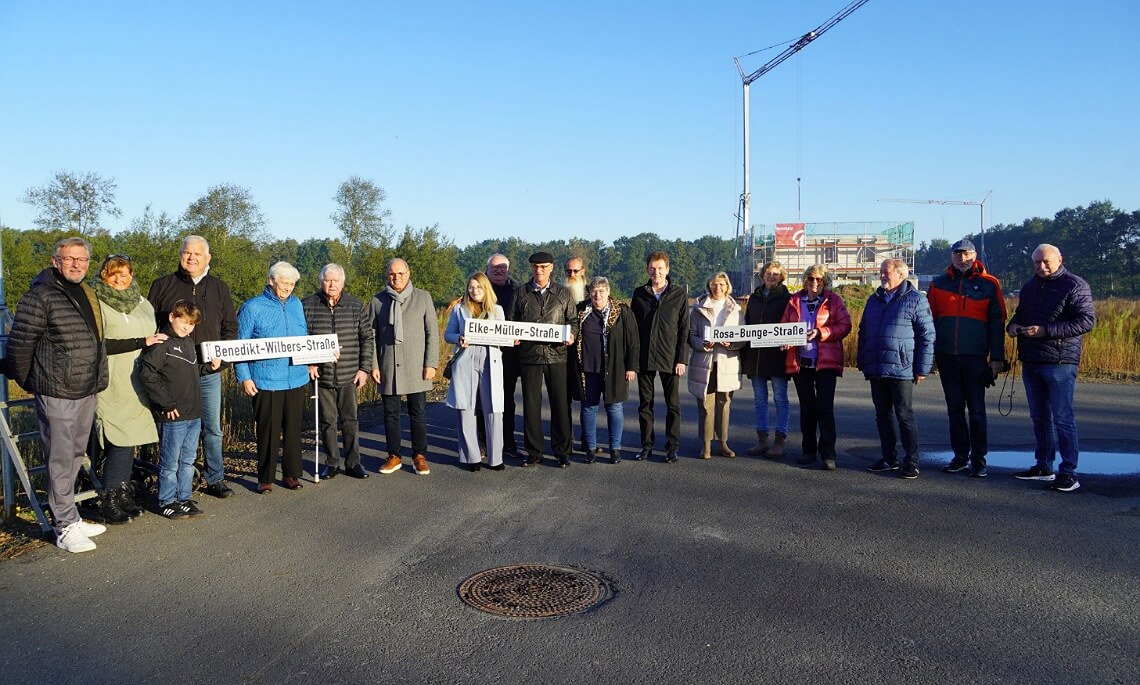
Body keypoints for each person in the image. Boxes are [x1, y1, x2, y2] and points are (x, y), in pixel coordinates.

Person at [7, 237, 109, 552]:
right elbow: (19, 345)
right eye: (70, 259)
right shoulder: (40, 296)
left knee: (76, 455)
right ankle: (63, 527)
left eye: (82, 259)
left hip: (85, 388)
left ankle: (73, 517)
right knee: (60, 459)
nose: (77, 264)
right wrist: (31, 380)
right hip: (58, 390)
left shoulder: (87, 292)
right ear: (55, 261)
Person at [148, 235, 239, 499]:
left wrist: (223, 356)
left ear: (208, 258)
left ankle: (215, 478)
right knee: (171, 428)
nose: (192, 257)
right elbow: (150, 327)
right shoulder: (163, 285)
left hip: (208, 371)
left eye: (197, 254)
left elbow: (230, 328)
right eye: (187, 253)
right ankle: (169, 482)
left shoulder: (219, 288)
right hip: (173, 375)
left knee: (212, 427)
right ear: (180, 255)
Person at [1007, 244, 1096, 493]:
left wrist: (1046, 331)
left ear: (1059, 260)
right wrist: (1013, 327)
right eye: (1037, 262)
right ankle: (1044, 466)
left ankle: (1069, 472)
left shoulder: (1075, 285)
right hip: (1032, 359)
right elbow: (1020, 315)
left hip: (1060, 361)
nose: (1041, 266)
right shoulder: (1030, 286)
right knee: (1039, 417)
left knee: (1063, 418)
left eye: (1046, 262)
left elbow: (1087, 321)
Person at [93, 255, 167, 524]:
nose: (119, 279)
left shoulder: (142, 303)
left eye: (124, 274)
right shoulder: (96, 302)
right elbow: (98, 343)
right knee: (117, 439)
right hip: (112, 380)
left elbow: (155, 333)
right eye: (113, 273)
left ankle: (123, 493)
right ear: (103, 274)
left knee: (131, 437)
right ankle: (108, 499)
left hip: (137, 380)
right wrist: (141, 340)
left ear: (132, 274)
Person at [927, 239, 1007, 478]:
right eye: (957, 255)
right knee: (954, 409)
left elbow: (997, 322)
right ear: (951, 258)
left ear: (974, 256)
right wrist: (929, 356)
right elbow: (929, 322)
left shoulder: (989, 284)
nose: (962, 259)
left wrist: (997, 358)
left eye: (966, 255)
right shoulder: (938, 284)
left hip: (975, 357)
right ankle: (960, 457)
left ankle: (979, 460)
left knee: (977, 411)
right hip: (947, 356)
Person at [139, 301, 221, 519]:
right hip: (173, 415)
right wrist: (165, 404)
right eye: (183, 322)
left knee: (187, 460)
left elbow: (191, 372)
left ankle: (183, 498)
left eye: (191, 324)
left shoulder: (187, 343)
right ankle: (167, 500)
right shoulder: (161, 344)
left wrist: (210, 367)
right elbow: (147, 373)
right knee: (170, 462)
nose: (187, 327)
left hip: (193, 413)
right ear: (172, 318)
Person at [235, 262, 310, 493]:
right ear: (271, 280)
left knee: (293, 430)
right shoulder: (252, 307)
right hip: (265, 380)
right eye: (284, 283)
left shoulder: (297, 304)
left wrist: (317, 355)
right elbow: (240, 345)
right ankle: (265, 477)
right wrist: (244, 377)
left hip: (296, 378)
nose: (288, 288)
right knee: (268, 431)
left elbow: (304, 335)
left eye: (292, 284)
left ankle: (291, 474)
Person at [858, 259, 935, 479]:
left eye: (886, 272)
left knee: (904, 415)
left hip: (902, 368)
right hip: (876, 367)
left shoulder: (915, 300)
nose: (881, 275)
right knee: (882, 414)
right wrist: (863, 359)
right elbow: (863, 332)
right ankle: (889, 457)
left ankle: (911, 461)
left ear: (901, 274)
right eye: (881, 272)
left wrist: (923, 368)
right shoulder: (874, 300)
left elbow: (927, 336)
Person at [302, 264, 374, 480]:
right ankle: (331, 462)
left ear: (343, 282)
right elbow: (301, 338)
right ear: (321, 280)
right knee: (327, 421)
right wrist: (309, 363)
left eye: (336, 280)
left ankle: (353, 463)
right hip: (321, 376)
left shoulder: (355, 305)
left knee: (350, 420)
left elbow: (367, 338)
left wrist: (364, 368)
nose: (331, 284)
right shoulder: (308, 304)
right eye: (327, 280)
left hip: (349, 374)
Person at [510, 251, 579, 467]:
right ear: (531, 268)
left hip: (557, 355)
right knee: (531, 405)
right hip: (529, 356)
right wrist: (512, 336)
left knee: (560, 403)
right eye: (535, 267)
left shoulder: (563, 293)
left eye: (543, 267)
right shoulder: (520, 292)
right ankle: (534, 451)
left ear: (551, 268)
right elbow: (511, 320)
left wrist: (572, 335)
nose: (539, 271)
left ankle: (562, 451)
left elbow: (573, 320)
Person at [372, 258, 439, 476]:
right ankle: (393, 455)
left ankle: (419, 455)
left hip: (416, 365)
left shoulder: (423, 297)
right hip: (388, 366)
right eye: (392, 273)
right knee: (390, 413)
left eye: (400, 273)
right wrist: (373, 364)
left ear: (408, 273)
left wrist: (431, 363)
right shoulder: (377, 300)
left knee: (417, 412)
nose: (396, 277)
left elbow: (432, 333)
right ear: (387, 275)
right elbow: (371, 336)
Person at [781, 265, 852, 470]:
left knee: (824, 409)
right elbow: (784, 324)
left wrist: (822, 332)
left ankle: (828, 454)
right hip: (800, 361)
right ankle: (808, 451)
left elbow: (845, 326)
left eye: (819, 279)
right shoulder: (794, 300)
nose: (814, 282)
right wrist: (785, 339)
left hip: (825, 363)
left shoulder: (834, 300)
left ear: (825, 281)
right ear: (805, 280)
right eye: (811, 278)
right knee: (807, 409)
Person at [569, 277, 639, 464]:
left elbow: (633, 342)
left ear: (608, 292)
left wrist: (632, 367)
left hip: (615, 368)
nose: (597, 294)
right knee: (588, 408)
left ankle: (615, 449)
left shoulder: (622, 311)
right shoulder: (581, 310)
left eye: (601, 291)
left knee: (614, 408)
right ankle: (590, 449)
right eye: (594, 291)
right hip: (588, 369)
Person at [445, 273, 508, 472]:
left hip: (490, 360)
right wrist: (459, 338)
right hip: (466, 361)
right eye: (471, 287)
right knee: (466, 409)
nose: (474, 291)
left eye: (478, 287)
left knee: (493, 410)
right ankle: (470, 457)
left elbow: (504, 335)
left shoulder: (497, 311)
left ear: (485, 288)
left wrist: (511, 339)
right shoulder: (459, 309)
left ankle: (495, 457)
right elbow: (448, 334)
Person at [631, 251, 689, 463]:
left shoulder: (679, 294)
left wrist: (682, 359)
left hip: (670, 357)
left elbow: (684, 329)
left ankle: (672, 446)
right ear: (647, 269)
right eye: (652, 268)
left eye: (660, 268)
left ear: (667, 269)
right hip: (644, 356)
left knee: (672, 404)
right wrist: (632, 359)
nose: (656, 272)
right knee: (645, 404)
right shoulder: (639, 294)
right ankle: (646, 445)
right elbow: (633, 329)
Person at [687, 272, 744, 459]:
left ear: (727, 286)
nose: (717, 287)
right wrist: (703, 344)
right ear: (708, 286)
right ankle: (706, 444)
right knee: (705, 405)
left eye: (721, 284)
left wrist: (733, 343)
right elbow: (691, 336)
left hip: (727, 362)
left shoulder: (736, 309)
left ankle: (723, 443)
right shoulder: (698, 309)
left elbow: (743, 337)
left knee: (724, 404)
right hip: (705, 363)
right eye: (713, 284)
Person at [741, 261, 792, 457]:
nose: (772, 276)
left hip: (777, 356)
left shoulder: (788, 298)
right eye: (769, 273)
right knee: (759, 399)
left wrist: (789, 340)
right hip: (756, 357)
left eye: (776, 274)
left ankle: (780, 440)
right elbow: (747, 324)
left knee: (780, 398)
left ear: (782, 276)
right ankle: (762, 439)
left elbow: (793, 324)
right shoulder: (754, 298)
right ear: (762, 275)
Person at [483, 253, 521, 458]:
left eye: (502, 268)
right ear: (487, 269)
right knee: (482, 399)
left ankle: (508, 441)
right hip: (482, 355)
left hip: (508, 356)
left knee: (506, 400)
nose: (499, 271)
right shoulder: (477, 289)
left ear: (508, 269)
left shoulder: (517, 291)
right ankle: (483, 441)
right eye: (494, 267)